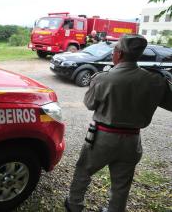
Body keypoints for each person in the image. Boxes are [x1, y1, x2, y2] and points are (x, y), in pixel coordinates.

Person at [65, 34, 172, 212]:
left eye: (114, 50)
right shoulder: (155, 81)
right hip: (132, 140)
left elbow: (89, 104)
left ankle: (74, 205)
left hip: (101, 137)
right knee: (122, 183)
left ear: (119, 53)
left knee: (83, 171)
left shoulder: (102, 78)